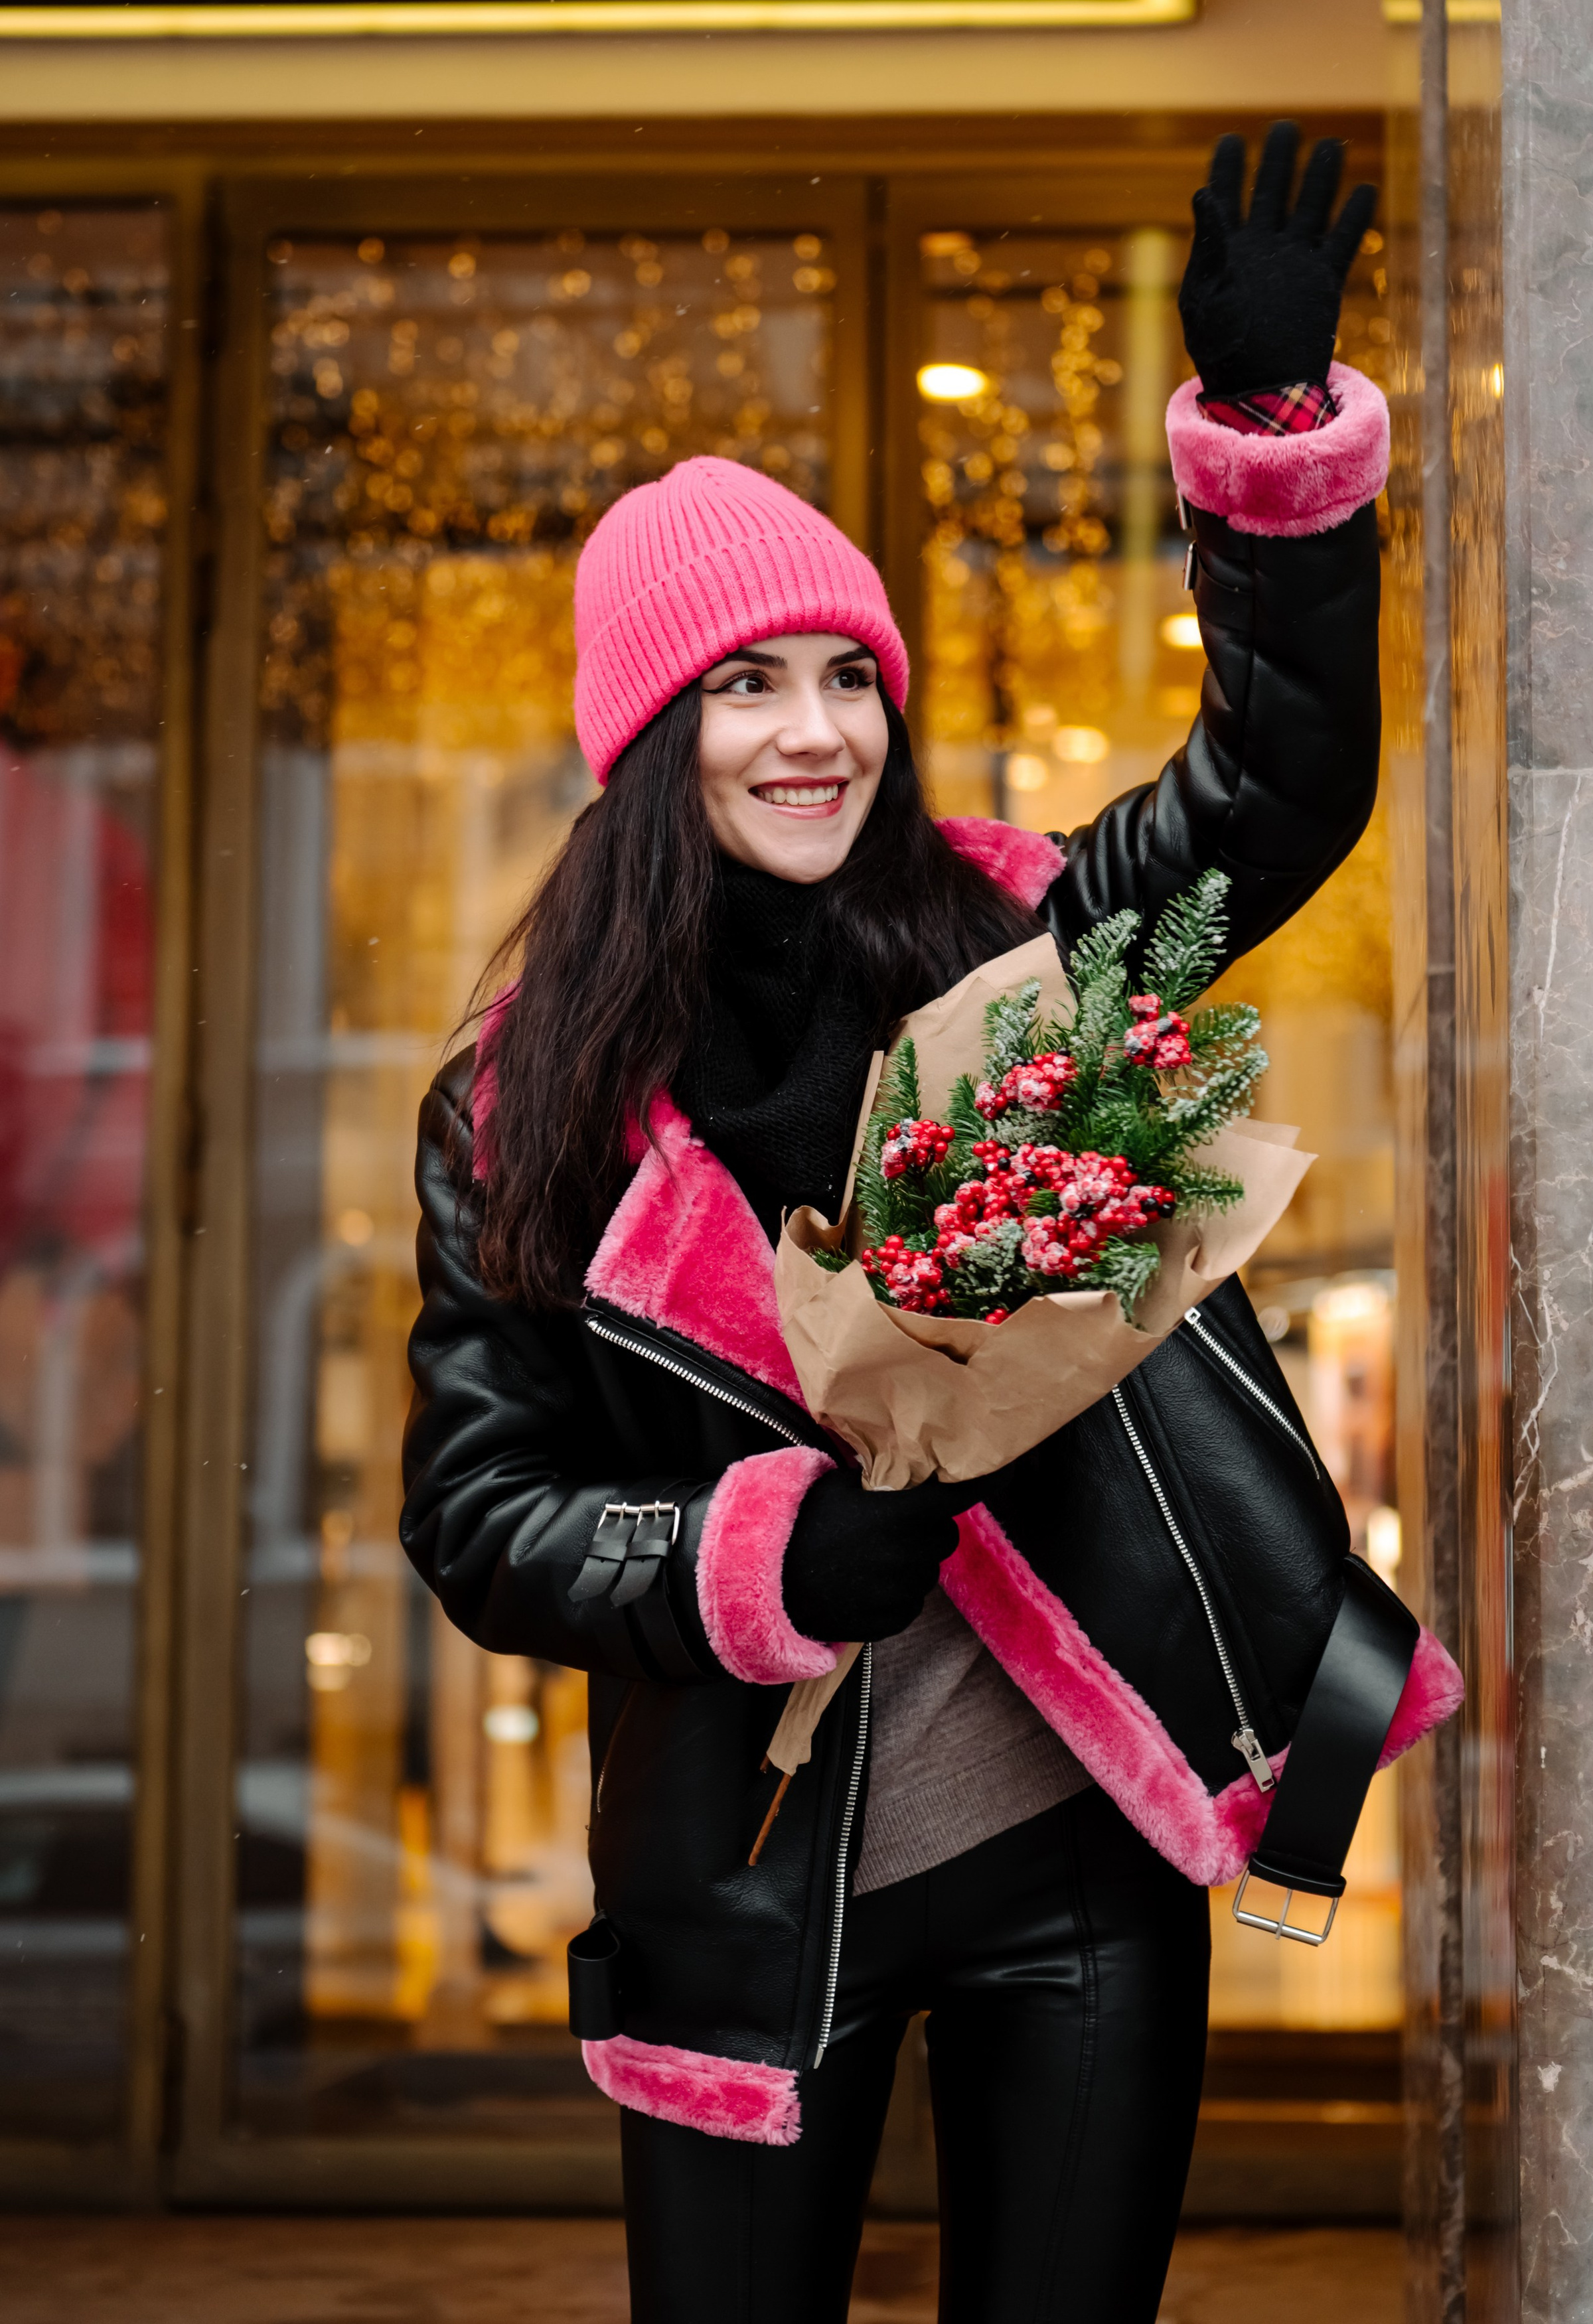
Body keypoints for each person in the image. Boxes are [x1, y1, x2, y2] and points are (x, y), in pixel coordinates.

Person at [402, 125, 1387, 2323]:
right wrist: (746, 1561)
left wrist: (1266, 442)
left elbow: (1283, 786)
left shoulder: (1021, 944)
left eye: (848, 674)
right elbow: (479, 1513)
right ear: (652, 735)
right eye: (750, 683)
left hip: (1076, 1857)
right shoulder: (519, 1107)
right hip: (747, 1895)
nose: (817, 728)